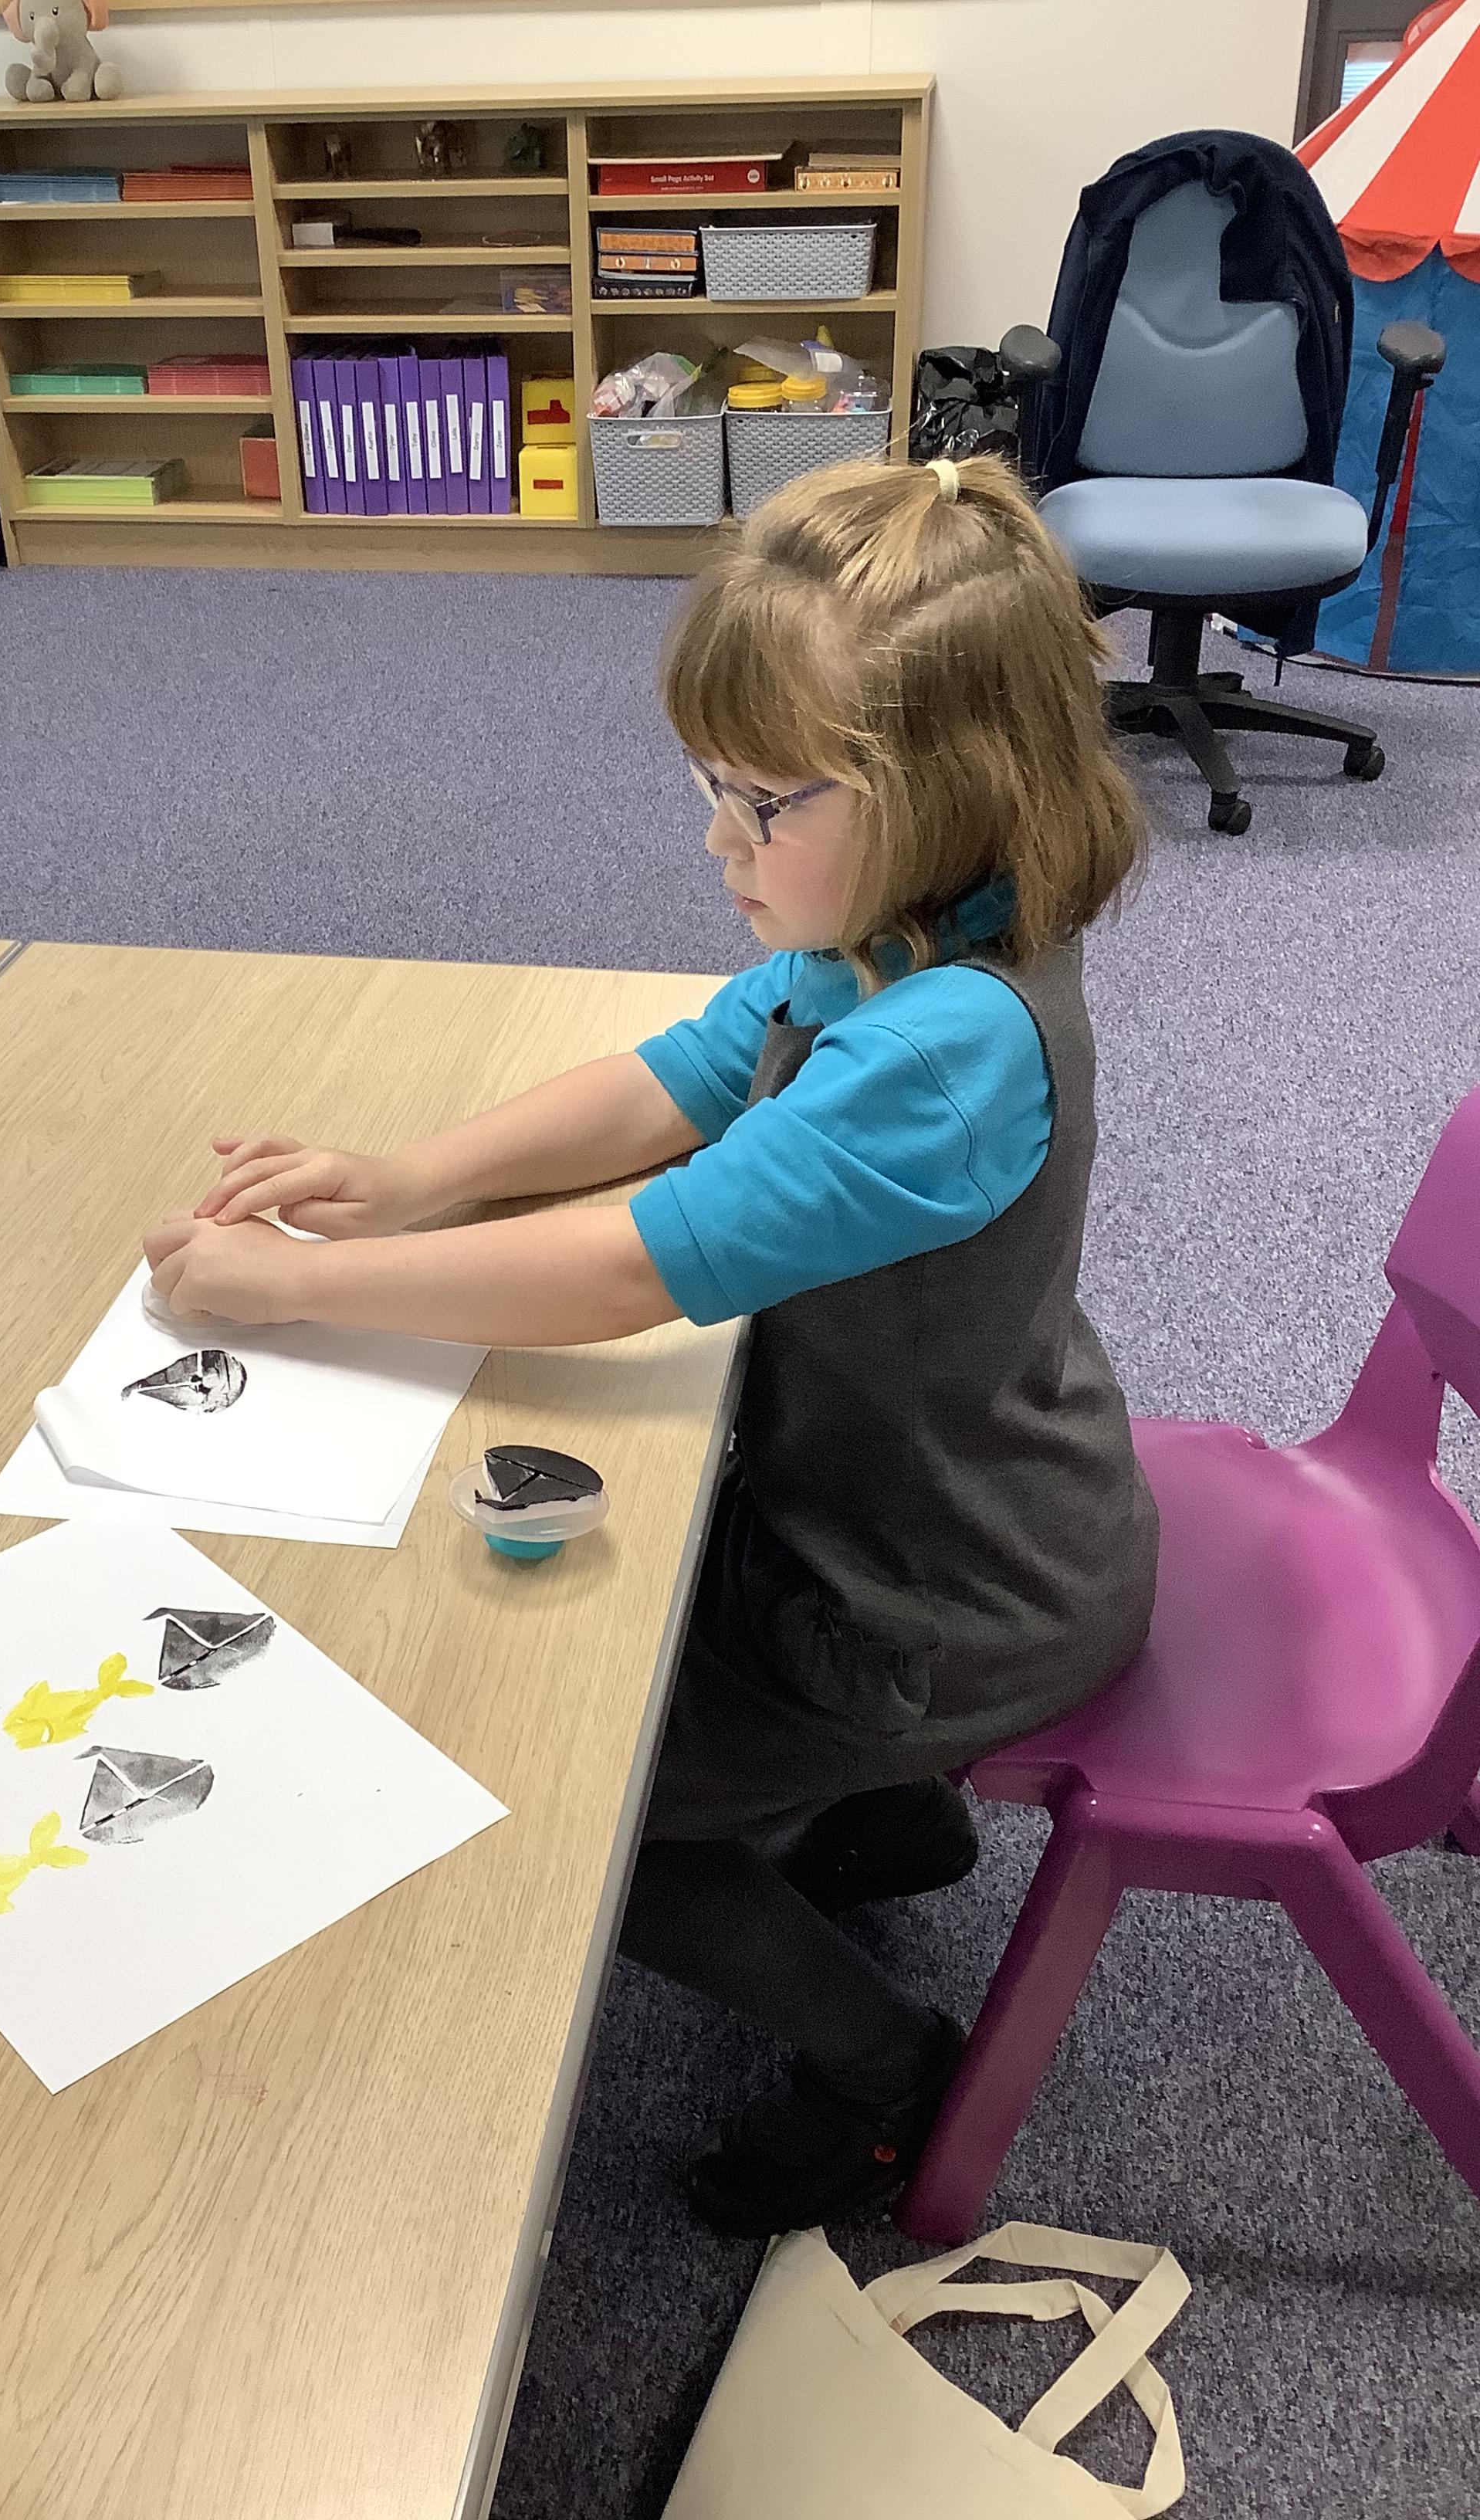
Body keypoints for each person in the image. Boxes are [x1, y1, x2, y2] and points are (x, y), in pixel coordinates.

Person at [145, 453, 1159, 2237]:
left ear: (945, 788)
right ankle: (891, 1820)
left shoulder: (943, 1049)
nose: (717, 844)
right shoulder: (909, 927)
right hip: (944, 1504)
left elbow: (634, 1270)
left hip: (936, 1602)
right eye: (711, 790)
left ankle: (885, 2070)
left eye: (762, 803)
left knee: (574, 1792)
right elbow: (687, 1076)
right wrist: (408, 1179)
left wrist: (294, 1290)